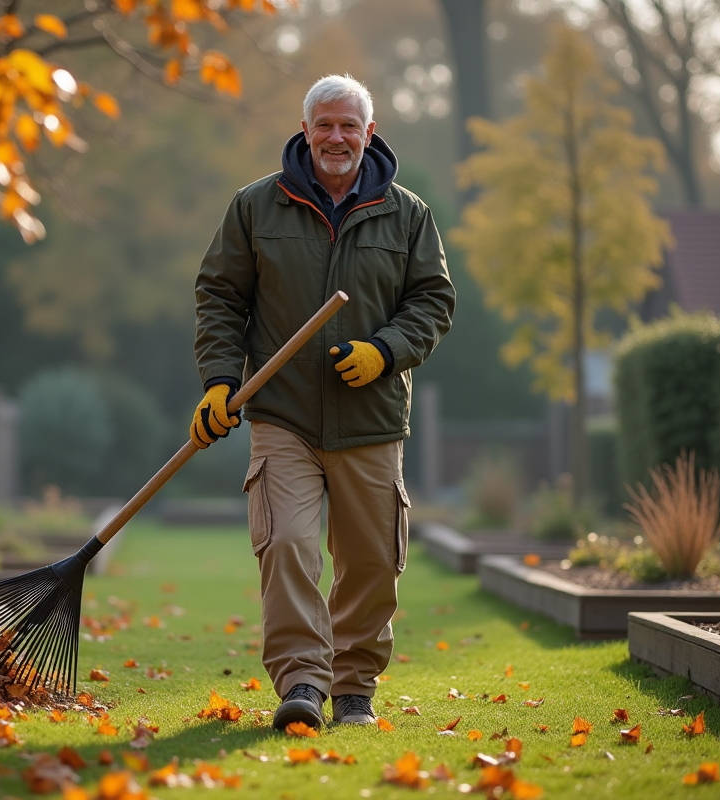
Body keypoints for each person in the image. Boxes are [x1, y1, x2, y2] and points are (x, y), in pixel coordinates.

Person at [190, 74, 456, 730]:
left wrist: (386, 351)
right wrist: (221, 382)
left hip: (371, 420)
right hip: (282, 415)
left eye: (349, 126)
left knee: (371, 561)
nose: (336, 137)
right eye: (324, 125)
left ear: (370, 133)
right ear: (305, 130)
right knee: (287, 545)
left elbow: (434, 299)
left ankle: (354, 685)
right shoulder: (255, 207)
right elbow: (220, 296)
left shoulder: (408, 214)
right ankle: (304, 683)